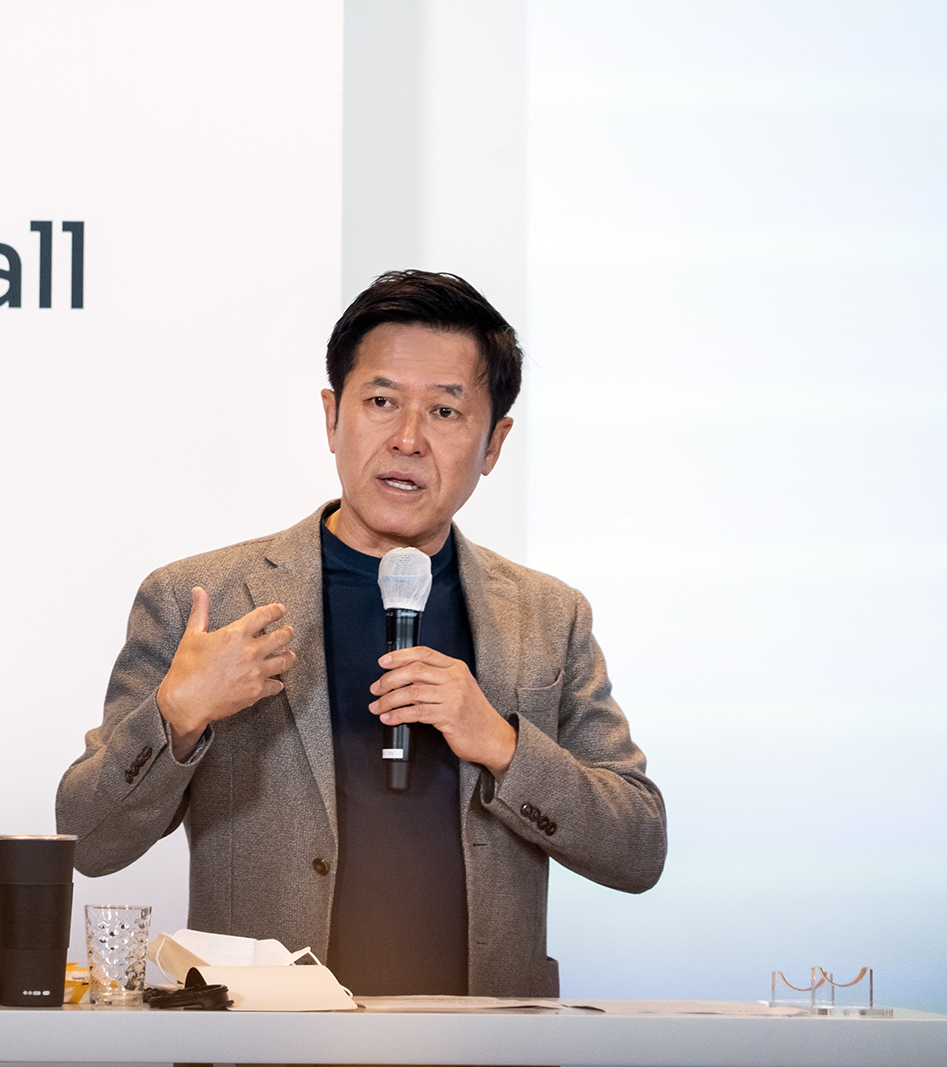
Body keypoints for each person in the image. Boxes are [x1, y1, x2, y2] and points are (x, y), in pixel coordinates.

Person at [55, 271, 666, 997]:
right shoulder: (203, 600)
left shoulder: (547, 615)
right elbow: (88, 840)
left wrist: (502, 744)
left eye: (446, 410)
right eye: (381, 402)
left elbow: (638, 848)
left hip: (486, 1038)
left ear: (494, 443)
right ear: (332, 416)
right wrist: (179, 714)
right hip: (265, 1035)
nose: (407, 439)